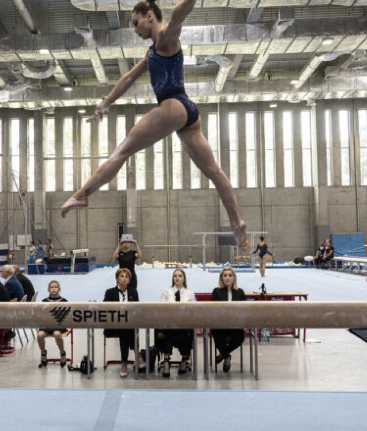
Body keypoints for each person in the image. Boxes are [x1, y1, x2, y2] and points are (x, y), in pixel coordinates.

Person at [59, 0, 248, 249]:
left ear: (150, 16)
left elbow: (178, 16)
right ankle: (236, 221)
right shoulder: (153, 51)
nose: (135, 30)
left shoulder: (164, 38)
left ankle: (81, 194)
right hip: (188, 113)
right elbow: (128, 78)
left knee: (123, 150)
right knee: (214, 171)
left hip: (172, 106)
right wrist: (105, 103)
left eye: (136, 23)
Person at [103, 268, 144, 377]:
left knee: (127, 329)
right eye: (121, 276)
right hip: (113, 325)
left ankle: (124, 362)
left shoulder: (133, 292)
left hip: (129, 325)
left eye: (126, 277)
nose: (124, 279)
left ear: (129, 280)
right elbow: (104, 309)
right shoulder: (110, 292)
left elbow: (137, 309)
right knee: (125, 330)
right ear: (117, 279)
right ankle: (137, 354)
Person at [156, 268, 195, 377]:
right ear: (173, 278)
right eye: (175, 276)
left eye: (180, 276)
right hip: (169, 323)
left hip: (184, 324)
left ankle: (184, 358)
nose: (177, 278)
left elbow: (192, 311)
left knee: (184, 331)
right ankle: (166, 360)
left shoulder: (189, 293)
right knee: (169, 329)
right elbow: (161, 309)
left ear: (184, 279)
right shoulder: (166, 291)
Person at [211, 267, 246, 373]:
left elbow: (243, 310)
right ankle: (227, 357)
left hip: (235, 325)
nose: (227, 277)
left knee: (240, 337)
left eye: (230, 275)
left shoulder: (240, 292)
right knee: (217, 336)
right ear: (221, 278)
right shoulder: (216, 291)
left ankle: (223, 354)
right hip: (220, 325)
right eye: (225, 275)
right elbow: (214, 310)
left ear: (234, 278)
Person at [37, 280, 68, 368]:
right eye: (51, 287)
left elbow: (66, 316)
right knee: (40, 335)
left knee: (57, 334)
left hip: (59, 326)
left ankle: (62, 352)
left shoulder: (64, 301)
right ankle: (43, 352)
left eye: (55, 287)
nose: (53, 289)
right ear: (48, 289)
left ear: (59, 289)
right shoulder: (44, 301)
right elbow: (41, 315)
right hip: (46, 326)